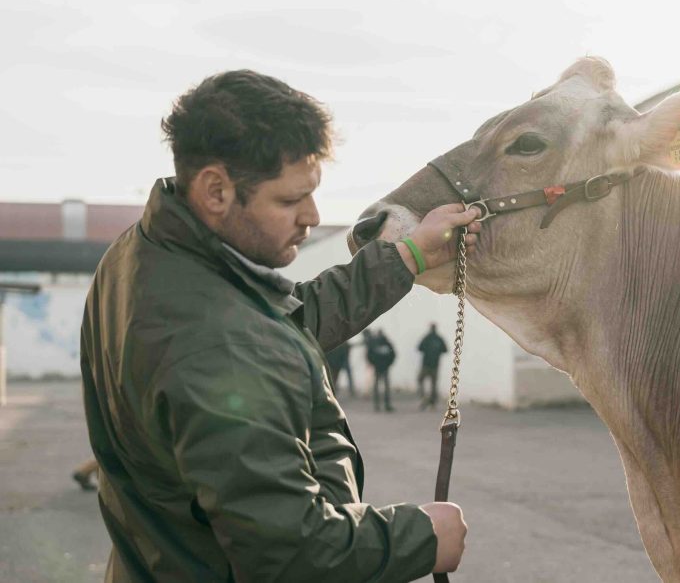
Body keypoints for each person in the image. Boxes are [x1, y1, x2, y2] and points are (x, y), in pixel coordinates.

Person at [79, 70, 479, 582]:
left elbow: (284, 324)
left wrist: (408, 256)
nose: (312, 216)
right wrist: (423, 537)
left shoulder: (145, 255)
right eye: (290, 200)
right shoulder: (218, 343)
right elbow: (293, 555)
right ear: (215, 190)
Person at [417, 323, 448, 410]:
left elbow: (419, 348)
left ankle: (424, 398)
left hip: (426, 365)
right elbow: (445, 350)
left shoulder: (427, 338)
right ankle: (431, 402)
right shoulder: (439, 339)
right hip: (434, 365)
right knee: (433, 384)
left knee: (421, 380)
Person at [368, 328, 397, 412]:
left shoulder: (377, 343)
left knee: (380, 387)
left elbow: (393, 355)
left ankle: (381, 405)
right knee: (380, 387)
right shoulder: (385, 343)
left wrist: (386, 364)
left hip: (381, 368)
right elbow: (369, 355)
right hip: (381, 368)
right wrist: (387, 364)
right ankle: (381, 405)